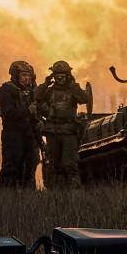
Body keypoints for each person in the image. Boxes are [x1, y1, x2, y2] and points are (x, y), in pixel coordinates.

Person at [35, 60, 90, 189]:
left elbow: (85, 99)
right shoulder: (48, 91)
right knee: (54, 165)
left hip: (69, 132)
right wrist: (45, 85)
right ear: (53, 76)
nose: (60, 78)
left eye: (63, 75)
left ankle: (74, 193)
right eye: (57, 75)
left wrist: (73, 85)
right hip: (52, 131)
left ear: (68, 75)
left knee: (70, 164)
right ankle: (55, 192)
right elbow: (35, 98)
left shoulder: (72, 90)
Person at [0, 61, 40, 189]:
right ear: (16, 75)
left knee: (30, 167)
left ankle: (28, 198)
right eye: (24, 75)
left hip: (30, 134)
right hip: (13, 135)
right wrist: (27, 110)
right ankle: (7, 197)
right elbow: (8, 113)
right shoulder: (7, 90)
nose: (27, 78)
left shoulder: (31, 91)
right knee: (12, 168)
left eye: (29, 75)